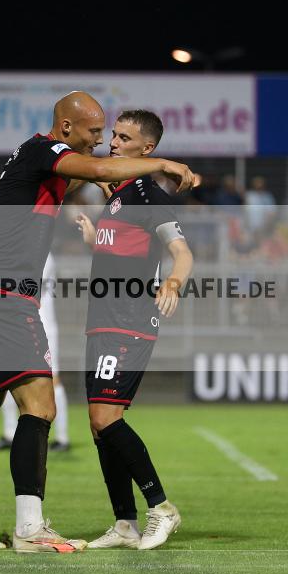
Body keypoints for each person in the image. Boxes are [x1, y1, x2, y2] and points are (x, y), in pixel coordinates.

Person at [0, 92, 199, 553]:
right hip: (7, 298)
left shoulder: (43, 162)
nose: (102, 141)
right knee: (40, 407)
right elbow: (98, 171)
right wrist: (162, 163)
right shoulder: (46, 151)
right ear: (66, 129)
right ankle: (30, 530)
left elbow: (102, 178)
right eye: (96, 132)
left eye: (113, 134)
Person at [75, 110, 193, 550]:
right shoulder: (118, 195)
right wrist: (94, 238)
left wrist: (173, 283)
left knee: (107, 418)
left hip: (130, 322)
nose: (113, 143)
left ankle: (161, 508)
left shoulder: (148, 195)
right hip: (101, 320)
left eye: (124, 138)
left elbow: (182, 252)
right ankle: (124, 524)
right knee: (98, 426)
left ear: (148, 149)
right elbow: (122, 250)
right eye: (114, 135)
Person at [0, 253, 71, 452]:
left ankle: (62, 438)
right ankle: (10, 433)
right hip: (18, 325)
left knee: (52, 378)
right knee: (8, 374)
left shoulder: (42, 252)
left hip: (42, 325)